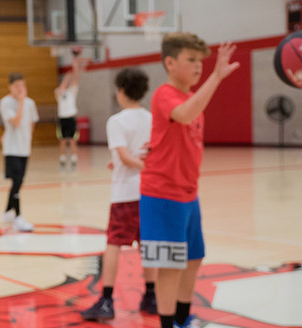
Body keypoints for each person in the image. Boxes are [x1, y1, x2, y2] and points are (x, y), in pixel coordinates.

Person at [140, 33, 239, 328]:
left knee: (194, 259)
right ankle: (168, 324)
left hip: (188, 194)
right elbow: (184, 115)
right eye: (191, 60)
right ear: (170, 63)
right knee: (170, 266)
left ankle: (183, 318)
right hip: (163, 196)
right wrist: (217, 77)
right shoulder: (164, 93)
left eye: (201, 61)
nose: (199, 67)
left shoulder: (190, 96)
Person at [81, 68, 157, 320]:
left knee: (113, 244)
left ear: (122, 91)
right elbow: (140, 153)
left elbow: (126, 155)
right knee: (147, 247)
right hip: (149, 193)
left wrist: (125, 161)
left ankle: (106, 300)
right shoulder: (152, 118)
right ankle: (151, 295)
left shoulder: (117, 121)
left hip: (125, 194)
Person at [0, 72, 38, 232]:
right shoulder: (5, 102)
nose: (20, 89)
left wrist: (28, 139)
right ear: (10, 87)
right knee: (16, 181)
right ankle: (18, 217)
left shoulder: (31, 103)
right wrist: (21, 101)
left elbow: (31, 123)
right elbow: (15, 122)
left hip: (24, 148)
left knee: (19, 182)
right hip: (12, 148)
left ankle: (7, 212)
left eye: (22, 85)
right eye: (16, 86)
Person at [54, 46, 87, 170]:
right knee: (63, 141)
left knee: (73, 141)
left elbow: (76, 78)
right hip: (62, 119)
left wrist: (75, 63)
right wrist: (66, 78)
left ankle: (74, 160)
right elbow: (61, 88)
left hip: (71, 118)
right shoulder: (59, 91)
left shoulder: (72, 92)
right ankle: (62, 160)